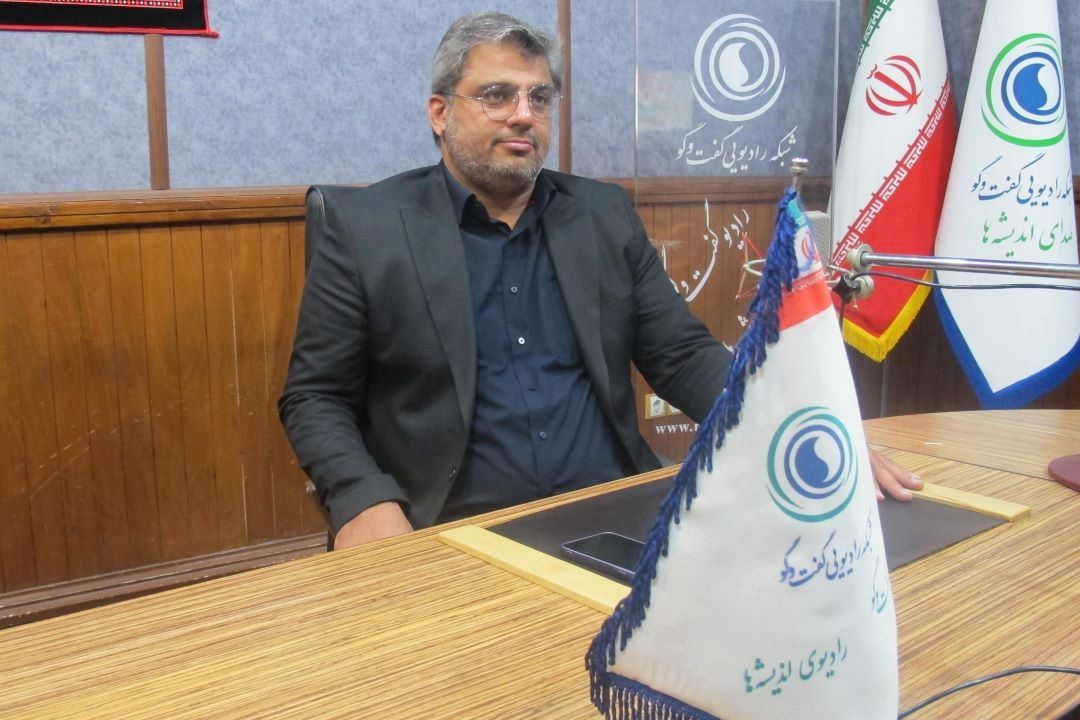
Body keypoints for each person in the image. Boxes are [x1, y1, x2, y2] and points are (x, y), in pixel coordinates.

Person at [279, 11, 921, 551]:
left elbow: (683, 356)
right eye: (497, 95)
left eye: (539, 98)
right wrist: (364, 500)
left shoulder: (601, 215)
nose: (523, 115)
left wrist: (802, 429)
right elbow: (315, 396)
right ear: (440, 113)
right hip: (448, 525)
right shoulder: (368, 228)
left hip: (612, 508)